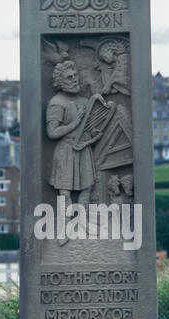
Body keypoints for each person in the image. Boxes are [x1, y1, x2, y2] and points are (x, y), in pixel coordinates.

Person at [47, 60, 96, 208]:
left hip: (83, 149)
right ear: (60, 83)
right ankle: (65, 224)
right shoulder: (57, 103)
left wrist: (93, 134)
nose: (75, 79)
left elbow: (89, 126)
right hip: (66, 151)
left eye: (75, 76)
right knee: (65, 191)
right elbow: (52, 132)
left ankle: (83, 223)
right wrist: (74, 124)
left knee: (87, 188)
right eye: (69, 77)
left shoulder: (85, 101)